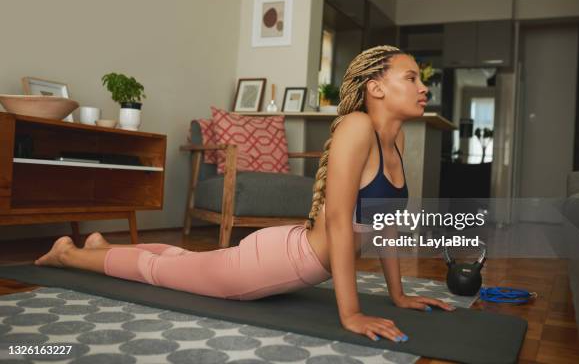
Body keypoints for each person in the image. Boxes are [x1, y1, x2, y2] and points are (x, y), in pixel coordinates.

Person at [34, 45, 455, 343]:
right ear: (376, 88)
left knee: (185, 260)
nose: (423, 87)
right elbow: (339, 224)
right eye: (411, 77)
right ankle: (68, 254)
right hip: (271, 264)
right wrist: (351, 313)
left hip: (288, 251)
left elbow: (385, 230)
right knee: (159, 272)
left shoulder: (393, 144)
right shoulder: (357, 127)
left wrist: (398, 296)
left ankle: (97, 244)